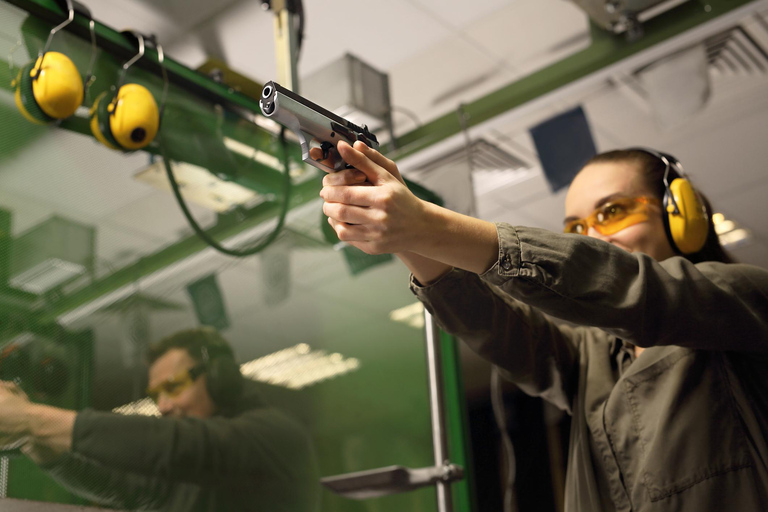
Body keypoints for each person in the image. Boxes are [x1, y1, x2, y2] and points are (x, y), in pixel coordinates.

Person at [315, 140, 768, 511]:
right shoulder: (594, 355)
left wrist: (426, 221)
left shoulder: (744, 297)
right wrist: (408, 236)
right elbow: (499, 329)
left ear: (679, 212)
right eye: (577, 227)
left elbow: (625, 285)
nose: (593, 237)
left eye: (612, 212)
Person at [0, 327, 319, 512]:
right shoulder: (190, 480)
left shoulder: (276, 435)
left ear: (220, 378)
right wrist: (33, 442)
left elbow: (179, 446)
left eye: (174, 387)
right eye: (156, 397)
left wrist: (33, 418)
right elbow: (117, 485)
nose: (163, 407)